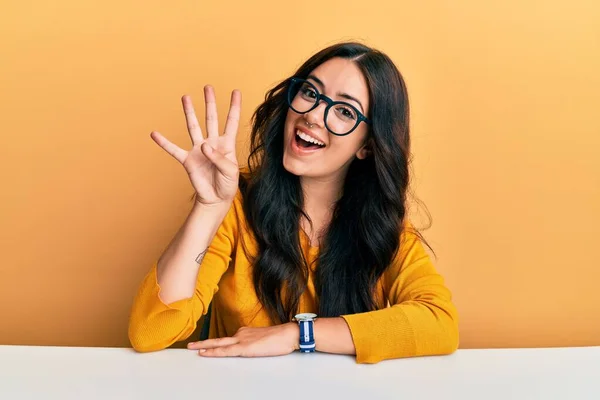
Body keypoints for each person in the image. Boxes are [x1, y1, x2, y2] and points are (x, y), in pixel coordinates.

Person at [128, 42, 459, 364]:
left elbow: (439, 322)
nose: (313, 115)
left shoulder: (383, 228)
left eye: (344, 111)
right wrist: (209, 206)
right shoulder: (237, 205)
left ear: (368, 146)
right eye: (311, 93)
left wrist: (296, 335)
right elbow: (150, 332)